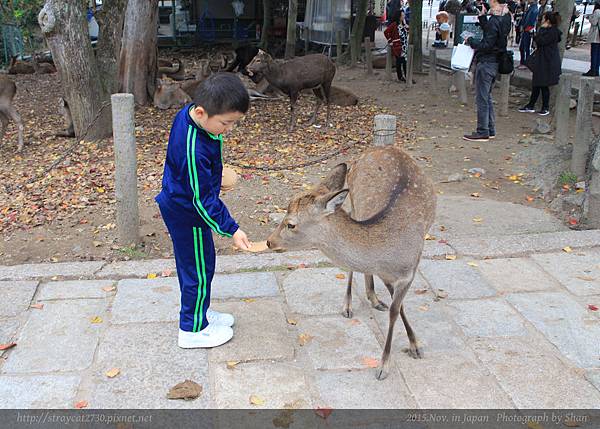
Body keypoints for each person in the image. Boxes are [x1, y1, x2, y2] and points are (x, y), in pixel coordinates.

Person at [155, 73, 252, 349]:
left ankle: (201, 312)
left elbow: (201, 180)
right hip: (187, 213)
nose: (229, 129)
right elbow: (201, 201)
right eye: (226, 123)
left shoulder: (193, 117)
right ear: (201, 111)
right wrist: (231, 229)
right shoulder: (193, 149)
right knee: (196, 270)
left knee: (203, 263)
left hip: (184, 201)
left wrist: (217, 176)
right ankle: (192, 329)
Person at [463, 0, 512, 142]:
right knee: (487, 97)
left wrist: (471, 40)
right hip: (496, 61)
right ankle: (489, 129)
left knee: (482, 98)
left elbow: (487, 44)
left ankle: (482, 131)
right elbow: (494, 35)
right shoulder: (505, 18)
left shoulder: (495, 20)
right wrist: (483, 18)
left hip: (487, 62)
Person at [518, 11, 562, 115]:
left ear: (547, 20)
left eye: (543, 19)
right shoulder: (549, 31)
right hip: (542, 60)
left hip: (547, 61)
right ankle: (531, 104)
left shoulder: (552, 32)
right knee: (537, 84)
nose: (541, 21)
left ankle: (545, 107)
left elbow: (541, 41)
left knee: (543, 85)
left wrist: (540, 30)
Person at [384, 10, 410, 81]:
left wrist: (406, 26)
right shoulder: (394, 24)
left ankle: (406, 76)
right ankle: (401, 77)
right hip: (397, 46)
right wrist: (390, 41)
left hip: (404, 45)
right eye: (402, 15)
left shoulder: (404, 24)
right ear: (399, 17)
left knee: (404, 61)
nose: (404, 16)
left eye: (404, 15)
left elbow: (407, 32)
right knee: (400, 61)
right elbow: (386, 32)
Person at [518, 0, 539, 69]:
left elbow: (532, 21)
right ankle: (523, 62)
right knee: (523, 47)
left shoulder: (535, 9)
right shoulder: (531, 8)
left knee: (526, 47)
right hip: (526, 29)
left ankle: (526, 63)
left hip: (528, 30)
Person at [584, 1, 600, 76]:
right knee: (598, 54)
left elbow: (594, 22)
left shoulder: (597, 11)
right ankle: (596, 70)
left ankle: (592, 69)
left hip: (596, 35)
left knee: (594, 53)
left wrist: (589, 17)